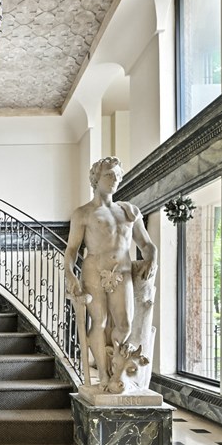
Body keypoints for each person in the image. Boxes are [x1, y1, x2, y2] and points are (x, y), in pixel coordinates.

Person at [65, 157, 157, 393]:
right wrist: (71, 275)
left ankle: (117, 369)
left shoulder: (129, 211)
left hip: (123, 272)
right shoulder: (83, 213)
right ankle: (105, 375)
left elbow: (146, 244)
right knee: (100, 321)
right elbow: (72, 250)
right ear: (96, 179)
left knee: (125, 325)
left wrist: (152, 258)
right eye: (109, 175)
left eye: (117, 176)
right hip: (94, 269)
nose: (115, 180)